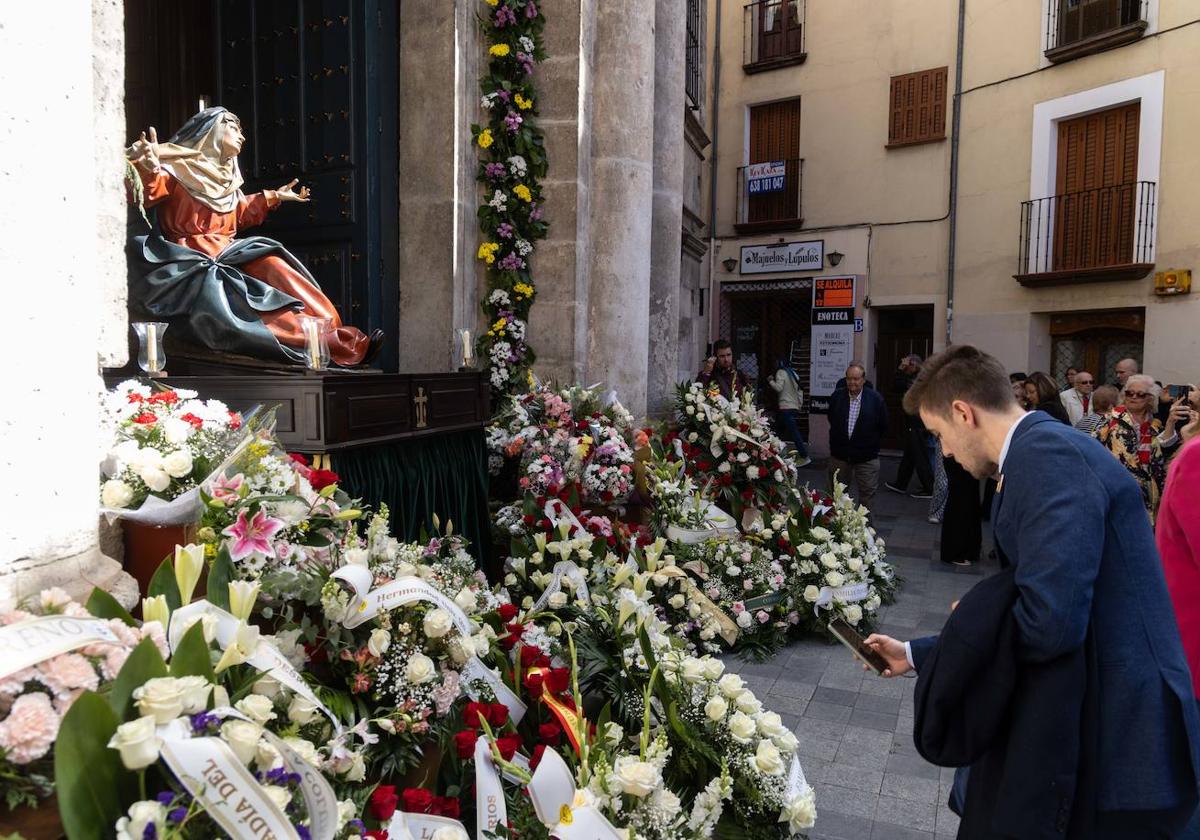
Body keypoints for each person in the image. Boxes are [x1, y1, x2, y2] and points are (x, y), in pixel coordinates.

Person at [864, 345, 1200, 838]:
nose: (947, 453)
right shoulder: (1036, 453)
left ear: (963, 412)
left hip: (1124, 738)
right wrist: (920, 654)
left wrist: (969, 619)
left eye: (940, 436)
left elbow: (1050, 621)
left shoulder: (1047, 457)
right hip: (1098, 719)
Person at [126, 109, 383, 366]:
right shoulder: (174, 172)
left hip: (230, 250)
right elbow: (142, 196)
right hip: (191, 256)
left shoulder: (227, 180)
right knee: (234, 295)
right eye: (235, 129)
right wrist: (146, 169)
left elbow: (238, 213)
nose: (242, 138)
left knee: (276, 265)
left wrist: (273, 197)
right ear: (213, 130)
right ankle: (326, 342)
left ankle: (337, 332)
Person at [1094, 374, 1190, 521]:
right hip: (1117, 492)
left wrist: (1170, 419)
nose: (1133, 397)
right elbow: (1091, 450)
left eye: (1140, 394)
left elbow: (1165, 450)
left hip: (1150, 498)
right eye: (1129, 393)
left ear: (1149, 398)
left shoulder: (1156, 423)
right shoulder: (1110, 420)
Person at [827, 362, 888, 510]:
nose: (852, 382)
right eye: (849, 379)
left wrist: (869, 443)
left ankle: (866, 531)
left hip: (866, 458)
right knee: (837, 496)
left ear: (863, 379)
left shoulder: (875, 399)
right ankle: (838, 530)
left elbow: (884, 426)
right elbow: (831, 418)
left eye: (856, 379)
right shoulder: (837, 397)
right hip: (840, 456)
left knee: (867, 498)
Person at [885, 355, 934, 498]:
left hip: (918, 423)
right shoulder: (920, 377)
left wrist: (900, 369)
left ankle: (929, 488)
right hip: (916, 422)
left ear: (913, 365)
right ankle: (901, 484)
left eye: (906, 365)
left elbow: (897, 385)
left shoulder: (918, 379)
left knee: (919, 456)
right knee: (910, 455)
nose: (904, 368)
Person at [768, 360, 811, 467]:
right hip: (794, 407)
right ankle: (776, 455)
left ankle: (804, 456)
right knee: (778, 432)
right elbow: (800, 391)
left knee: (791, 432)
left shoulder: (781, 373)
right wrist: (799, 405)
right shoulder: (794, 374)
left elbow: (779, 388)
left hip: (785, 407)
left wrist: (770, 381)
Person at [940, 453, 981, 566]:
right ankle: (956, 552)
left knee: (969, 498)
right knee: (961, 497)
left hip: (965, 453)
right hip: (959, 453)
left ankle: (968, 550)